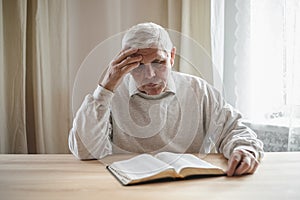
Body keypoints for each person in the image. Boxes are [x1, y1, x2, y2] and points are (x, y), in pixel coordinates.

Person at [69, 22, 264, 176]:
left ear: (171, 56)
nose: (150, 75)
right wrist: (105, 89)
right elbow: (85, 152)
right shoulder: (111, 95)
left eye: (158, 62)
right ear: (124, 63)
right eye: (138, 66)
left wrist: (245, 150)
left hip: (189, 187)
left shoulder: (199, 90)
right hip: (125, 188)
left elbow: (234, 129)